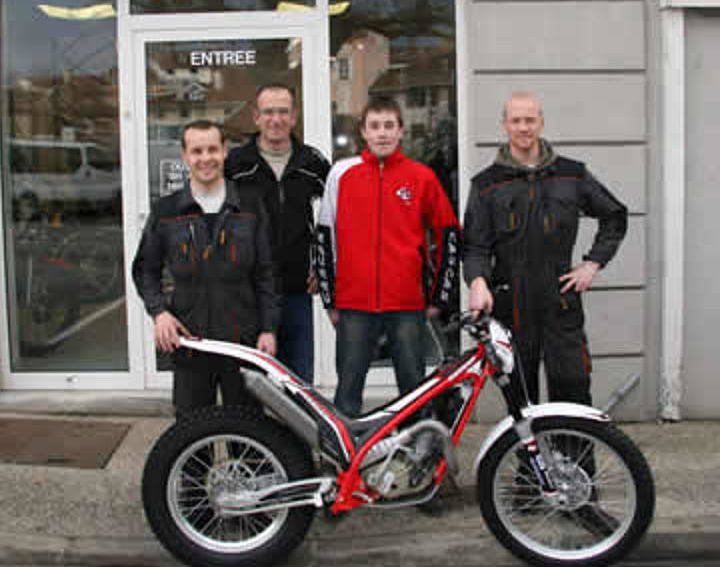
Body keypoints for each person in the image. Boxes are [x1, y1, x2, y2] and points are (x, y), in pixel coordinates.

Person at [463, 91, 628, 408]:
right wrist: (478, 282)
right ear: (505, 125)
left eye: (530, 120)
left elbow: (615, 216)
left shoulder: (571, 175)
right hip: (511, 304)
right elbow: (474, 246)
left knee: (573, 389)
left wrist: (592, 264)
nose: (523, 127)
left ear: (541, 122)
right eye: (516, 121)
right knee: (521, 400)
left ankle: (573, 444)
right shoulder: (487, 184)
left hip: (560, 300)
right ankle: (531, 445)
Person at [314, 97, 460, 418]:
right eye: (375, 126)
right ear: (364, 132)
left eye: (389, 126)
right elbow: (324, 238)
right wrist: (330, 300)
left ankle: (413, 447)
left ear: (401, 131)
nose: (382, 133)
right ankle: (347, 450)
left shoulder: (421, 177)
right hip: (354, 305)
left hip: (407, 305)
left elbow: (449, 233)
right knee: (347, 392)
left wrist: (440, 296)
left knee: (413, 393)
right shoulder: (342, 174)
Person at [132, 119, 279, 416]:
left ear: (224, 151)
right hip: (191, 341)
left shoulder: (249, 205)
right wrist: (159, 313)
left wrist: (268, 329)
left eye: (212, 149)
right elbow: (146, 269)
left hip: (243, 340)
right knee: (192, 427)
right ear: (185, 156)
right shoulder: (166, 211)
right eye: (197, 151)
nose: (205, 158)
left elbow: (267, 273)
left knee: (247, 427)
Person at [226, 84, 330, 384]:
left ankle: (297, 419)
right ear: (256, 117)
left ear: (294, 117)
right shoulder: (236, 164)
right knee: (251, 382)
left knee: (297, 380)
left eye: (283, 111)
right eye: (269, 112)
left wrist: (322, 267)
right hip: (249, 291)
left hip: (297, 287)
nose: (276, 119)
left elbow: (335, 218)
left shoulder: (313, 163)